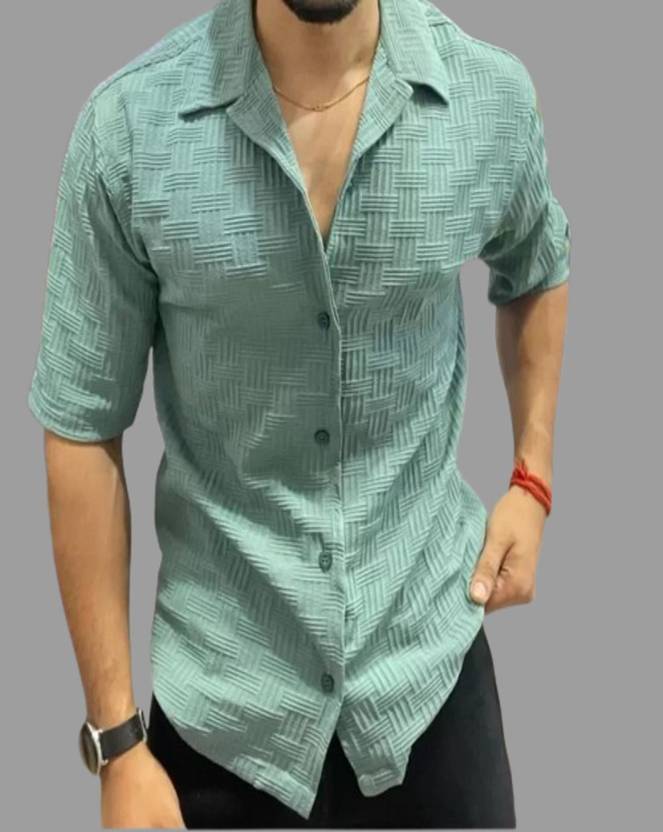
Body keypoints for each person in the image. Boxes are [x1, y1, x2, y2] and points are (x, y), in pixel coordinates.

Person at [27, 0, 570, 827]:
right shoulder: (128, 130)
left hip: (428, 681)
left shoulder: (487, 97)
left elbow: (536, 265)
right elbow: (82, 424)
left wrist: (531, 479)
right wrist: (118, 741)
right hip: (222, 715)